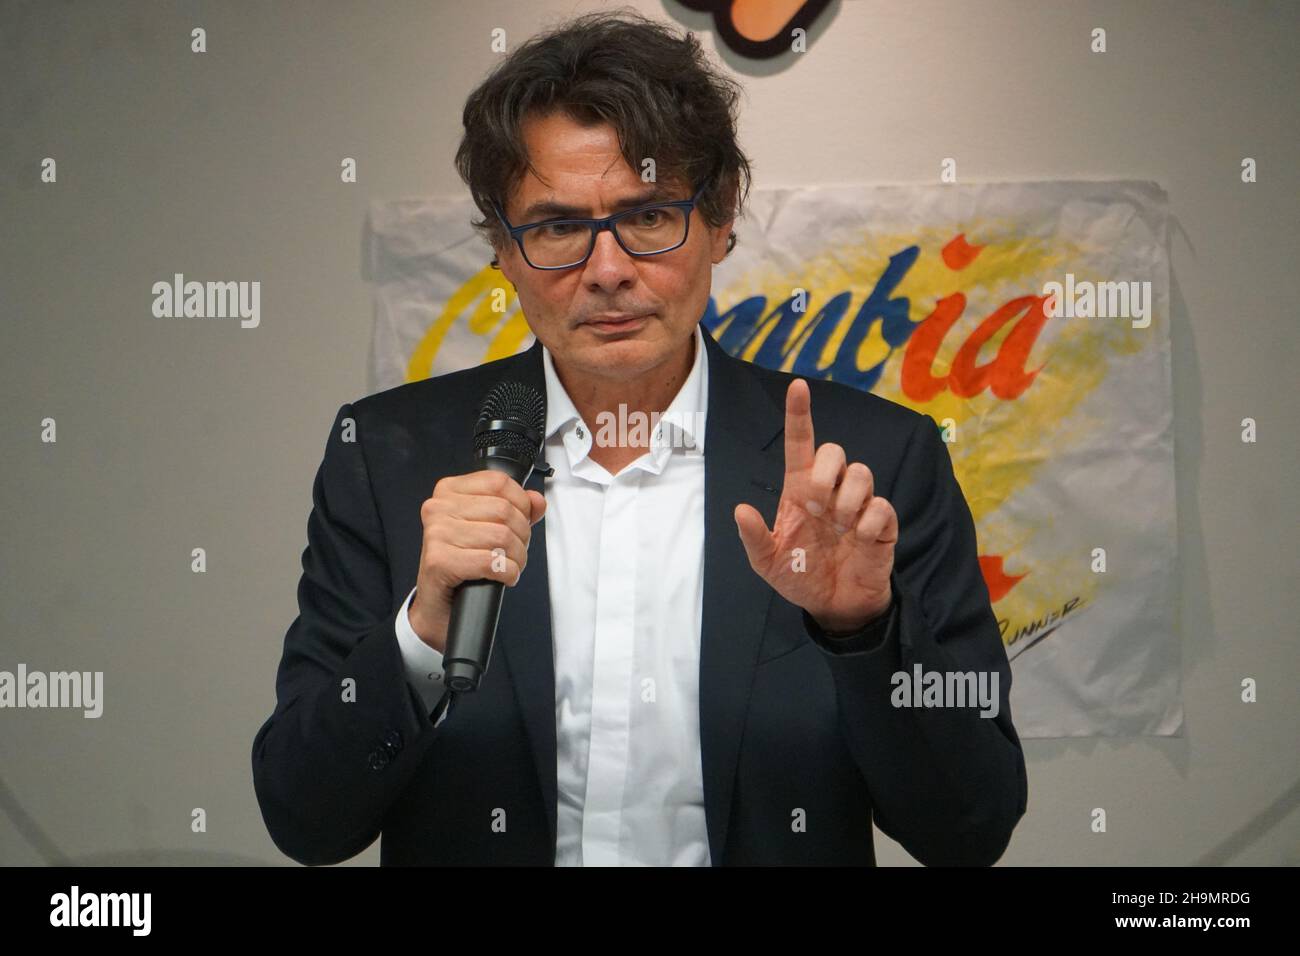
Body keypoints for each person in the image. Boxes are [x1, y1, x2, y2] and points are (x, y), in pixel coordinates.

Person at [251, 10, 1027, 866]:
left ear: (722, 217)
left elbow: (970, 828)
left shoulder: (874, 461)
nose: (610, 268)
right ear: (502, 253)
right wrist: (422, 633)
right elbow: (306, 820)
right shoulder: (389, 455)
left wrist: (862, 633)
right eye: (555, 228)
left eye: (650, 216)